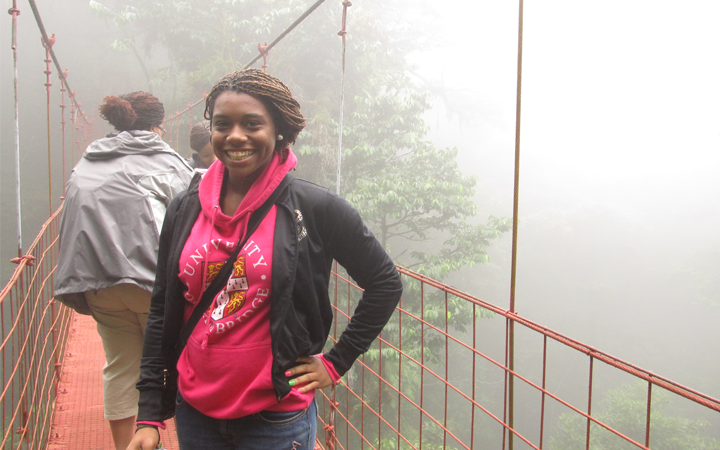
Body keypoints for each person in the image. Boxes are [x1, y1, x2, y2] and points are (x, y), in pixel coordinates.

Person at [128, 69, 403, 450]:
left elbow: (385, 283)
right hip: (194, 411)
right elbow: (162, 308)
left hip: (276, 415)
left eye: (252, 124)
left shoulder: (315, 207)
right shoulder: (184, 208)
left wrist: (336, 362)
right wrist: (149, 411)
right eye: (222, 124)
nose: (235, 135)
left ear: (280, 131)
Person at [53, 92, 194, 450]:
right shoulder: (167, 161)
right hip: (152, 283)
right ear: (156, 127)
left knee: (119, 366)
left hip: (96, 282)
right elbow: (195, 214)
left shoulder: (86, 163)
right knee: (179, 363)